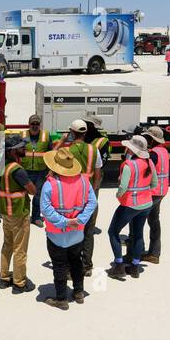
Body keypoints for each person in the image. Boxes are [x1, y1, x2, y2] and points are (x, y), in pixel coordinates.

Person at [38, 146, 97, 310]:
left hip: (57, 234)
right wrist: (79, 220)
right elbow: (92, 202)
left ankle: (61, 298)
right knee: (76, 261)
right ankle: (78, 293)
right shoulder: (84, 181)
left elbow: (45, 209)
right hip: (77, 232)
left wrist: (64, 222)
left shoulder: (49, 184)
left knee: (59, 265)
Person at [106, 134, 159, 280]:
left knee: (113, 232)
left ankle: (118, 266)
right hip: (146, 204)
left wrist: (119, 195)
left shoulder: (129, 165)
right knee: (138, 234)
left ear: (133, 150)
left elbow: (123, 186)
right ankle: (135, 267)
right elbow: (154, 184)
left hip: (130, 205)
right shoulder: (149, 163)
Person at [0, 136, 37, 294]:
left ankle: (4, 278)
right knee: (20, 248)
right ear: (12, 151)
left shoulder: (2, 167)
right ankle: (19, 282)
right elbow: (33, 190)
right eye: (21, 147)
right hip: (19, 213)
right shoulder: (17, 170)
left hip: (6, 212)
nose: (24, 149)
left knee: (7, 245)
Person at [66, 117, 106, 277]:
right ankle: (87, 266)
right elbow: (97, 174)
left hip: (73, 196)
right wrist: (93, 192)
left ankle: (71, 268)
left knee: (72, 231)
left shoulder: (68, 151)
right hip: (89, 194)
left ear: (72, 132)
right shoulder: (93, 150)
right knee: (88, 231)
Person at [142, 126, 170, 264]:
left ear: (152, 139)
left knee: (137, 219)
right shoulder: (164, 151)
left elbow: (146, 170)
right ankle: (154, 253)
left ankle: (136, 250)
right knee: (154, 220)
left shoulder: (153, 153)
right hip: (162, 191)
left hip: (152, 192)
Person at [21, 114, 52, 227]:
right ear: (29, 125)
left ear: (40, 125)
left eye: (37, 124)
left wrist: (50, 170)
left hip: (41, 171)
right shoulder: (22, 135)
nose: (35, 126)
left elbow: (50, 154)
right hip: (25, 170)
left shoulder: (46, 135)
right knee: (23, 194)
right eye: (32, 124)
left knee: (38, 195)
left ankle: (36, 217)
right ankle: (24, 217)